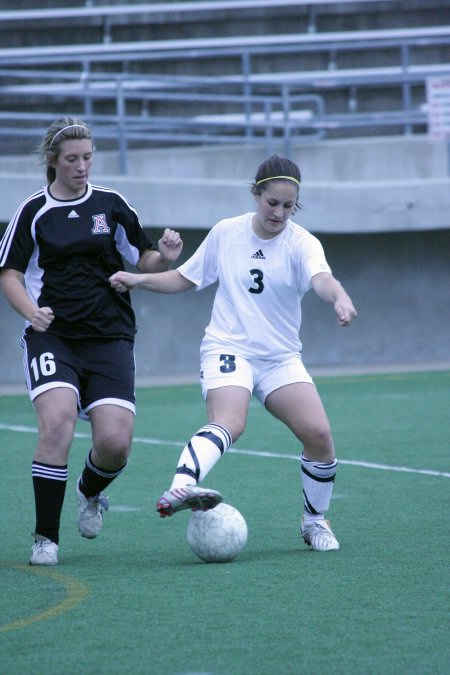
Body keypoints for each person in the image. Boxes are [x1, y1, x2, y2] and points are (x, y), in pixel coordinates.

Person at [110, 154, 358, 552]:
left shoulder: (302, 243)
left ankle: (315, 522)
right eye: (271, 203)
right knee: (231, 421)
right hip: (229, 347)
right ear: (255, 194)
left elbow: (322, 278)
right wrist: (139, 280)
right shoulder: (228, 233)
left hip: (279, 357)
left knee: (320, 435)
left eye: (288, 206)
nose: (278, 213)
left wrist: (339, 297)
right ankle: (181, 486)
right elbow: (185, 278)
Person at [0, 116, 183, 566]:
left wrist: (164, 257)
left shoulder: (112, 204)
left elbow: (146, 259)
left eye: (87, 157)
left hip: (110, 337)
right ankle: (46, 537)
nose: (82, 166)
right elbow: (10, 274)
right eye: (72, 159)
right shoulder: (33, 211)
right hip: (54, 338)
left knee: (116, 442)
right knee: (57, 422)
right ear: (52, 161)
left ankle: (89, 491)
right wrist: (31, 312)